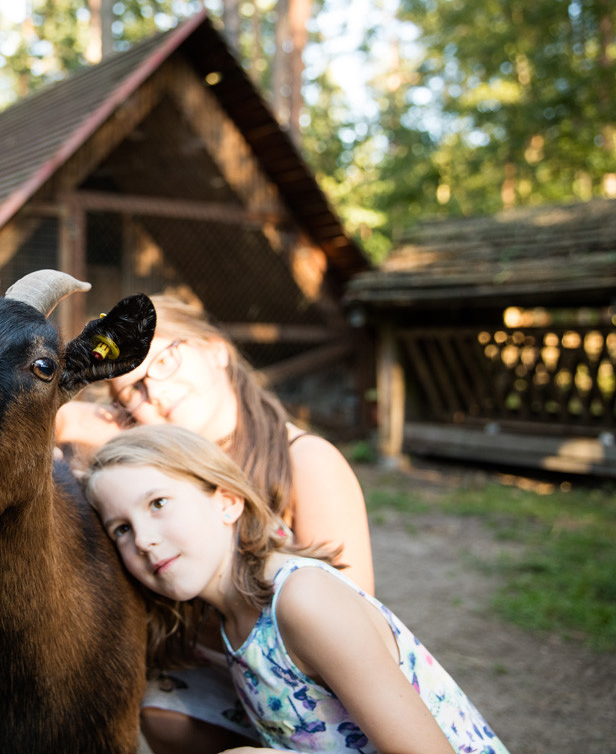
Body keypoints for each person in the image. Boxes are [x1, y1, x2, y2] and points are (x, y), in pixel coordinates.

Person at [56, 294, 373, 751]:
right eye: (133, 391)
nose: (156, 392)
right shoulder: (147, 455)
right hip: (236, 669)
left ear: (215, 348)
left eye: (164, 360)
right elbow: (51, 414)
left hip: (318, 679)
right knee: (162, 707)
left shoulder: (306, 461)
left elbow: (355, 626)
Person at [86, 425, 509, 754]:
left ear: (227, 502)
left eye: (158, 504)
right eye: (121, 529)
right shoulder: (227, 619)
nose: (143, 540)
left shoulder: (303, 599)